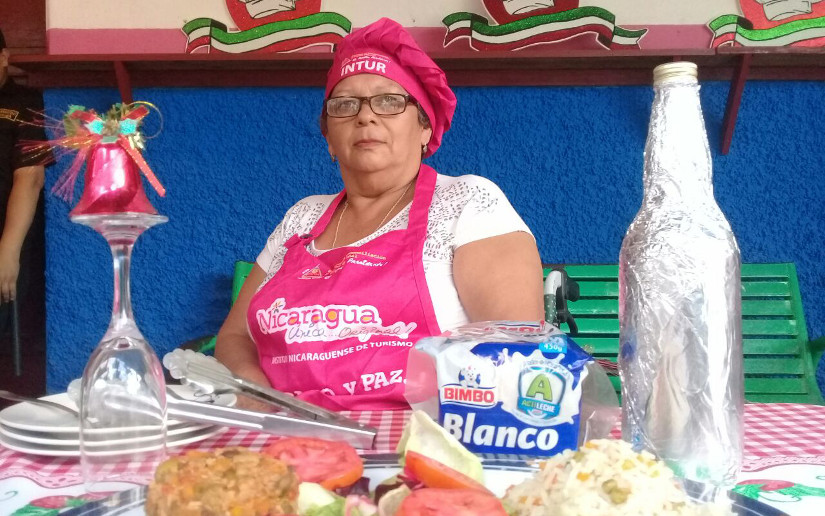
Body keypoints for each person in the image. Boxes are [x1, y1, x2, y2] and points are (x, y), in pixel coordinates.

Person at [215, 18, 544, 411]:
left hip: (423, 437)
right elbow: (235, 338)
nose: (365, 116)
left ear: (425, 129)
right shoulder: (302, 217)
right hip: (288, 431)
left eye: (389, 101)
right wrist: (259, 397)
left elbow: (515, 354)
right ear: (329, 139)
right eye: (344, 104)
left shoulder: (467, 202)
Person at [0, 28, 48, 370]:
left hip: (7, 234)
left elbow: (30, 177)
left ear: (4, 57)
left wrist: (8, 250)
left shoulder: (27, 102)